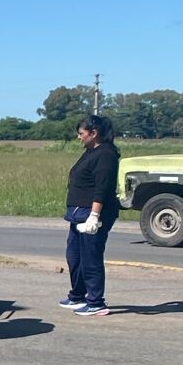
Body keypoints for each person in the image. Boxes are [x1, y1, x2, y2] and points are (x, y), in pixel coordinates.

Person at [59, 113, 120, 317]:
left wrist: (95, 216)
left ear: (94, 133)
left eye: (81, 133)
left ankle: (96, 302)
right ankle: (78, 295)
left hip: (93, 213)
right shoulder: (90, 151)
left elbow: (102, 187)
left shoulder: (106, 154)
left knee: (90, 257)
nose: (79, 137)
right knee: (74, 256)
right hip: (77, 213)